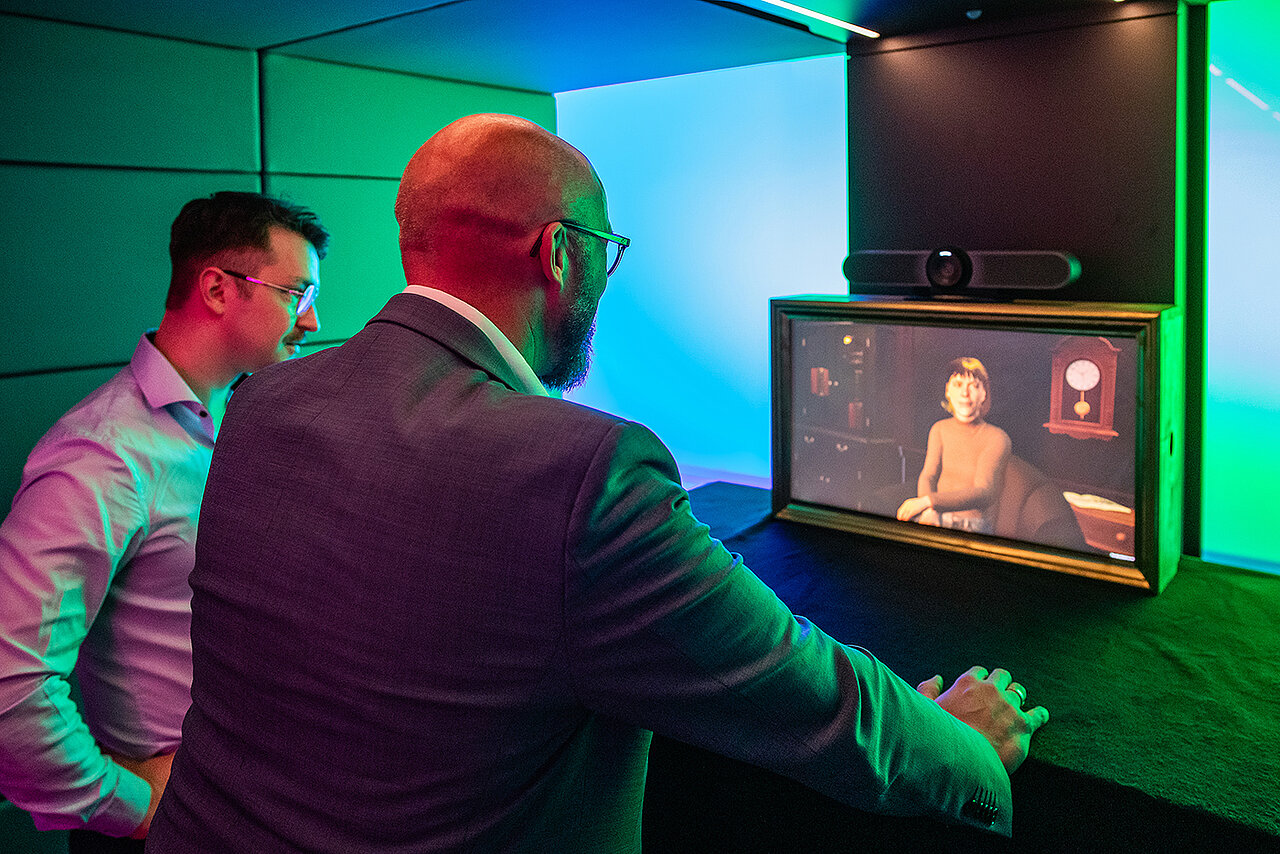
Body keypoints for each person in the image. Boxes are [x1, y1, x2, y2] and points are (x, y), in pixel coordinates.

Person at [148, 115, 1047, 853]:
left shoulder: (261, 403)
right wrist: (968, 748)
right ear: (560, 254)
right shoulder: (583, 471)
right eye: (606, 253)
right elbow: (814, 700)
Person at [0, 191, 329, 849]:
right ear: (217, 289)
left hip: (255, 799)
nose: (314, 320)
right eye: (298, 294)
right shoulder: (104, 454)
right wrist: (134, 808)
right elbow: (10, 689)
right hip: (173, 826)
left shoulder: (237, 417)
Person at [897, 356, 1012, 533]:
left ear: (984, 393)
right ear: (948, 391)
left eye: (973, 386)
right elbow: (928, 475)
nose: (965, 393)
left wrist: (928, 502)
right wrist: (929, 511)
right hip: (935, 515)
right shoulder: (939, 429)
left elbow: (984, 492)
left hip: (972, 526)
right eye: (958, 385)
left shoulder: (997, 437)